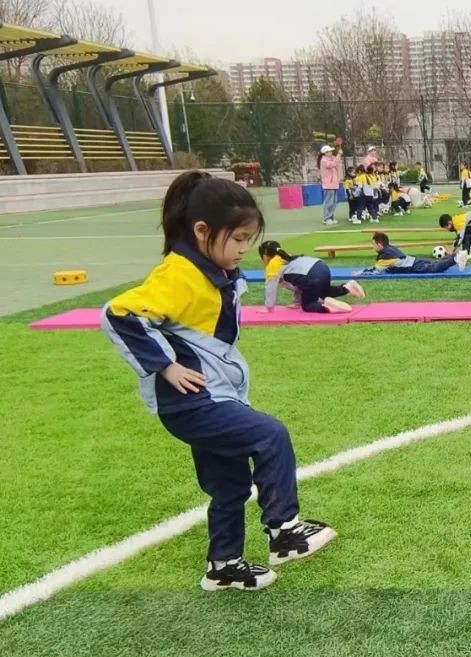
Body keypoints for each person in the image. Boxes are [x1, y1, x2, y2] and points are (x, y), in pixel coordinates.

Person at [100, 172, 339, 592]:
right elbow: (118, 314)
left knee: (229, 483)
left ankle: (223, 566)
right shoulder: (179, 274)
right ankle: (283, 530)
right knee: (270, 436)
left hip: (213, 397)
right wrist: (166, 365)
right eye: (238, 239)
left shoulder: (210, 272)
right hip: (194, 403)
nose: (245, 249)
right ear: (202, 232)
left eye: (249, 238)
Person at [259, 241, 365, 314]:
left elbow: (270, 288)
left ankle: (326, 306)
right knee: (323, 291)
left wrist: (268, 308)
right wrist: (296, 302)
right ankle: (347, 287)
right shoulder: (286, 256)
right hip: (322, 266)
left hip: (312, 275)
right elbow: (297, 283)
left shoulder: (273, 265)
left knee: (308, 306)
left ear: (265, 255)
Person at [360, 232, 467, 274]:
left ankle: (455, 259)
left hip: (411, 266)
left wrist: (362, 272)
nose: (372, 246)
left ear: (379, 245)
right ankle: (456, 255)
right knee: (434, 263)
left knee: (434, 268)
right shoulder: (390, 248)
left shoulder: (384, 256)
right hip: (413, 260)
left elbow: (375, 270)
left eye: (373, 244)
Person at [317, 145, 341, 226]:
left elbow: (336, 163)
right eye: (329, 151)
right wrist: (338, 155)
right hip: (328, 185)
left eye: (331, 151)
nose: (331, 152)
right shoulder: (323, 160)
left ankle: (331, 217)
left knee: (334, 202)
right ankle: (326, 218)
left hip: (334, 184)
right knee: (329, 202)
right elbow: (332, 164)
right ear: (325, 153)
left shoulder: (332, 159)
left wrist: (338, 155)